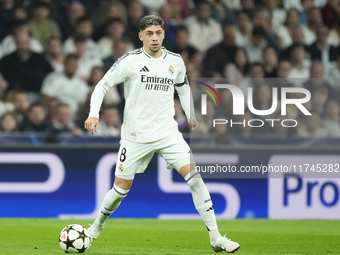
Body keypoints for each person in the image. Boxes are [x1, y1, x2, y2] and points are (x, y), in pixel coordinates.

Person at [84, 15, 240, 253]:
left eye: (158, 33)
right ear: (141, 36)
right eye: (149, 34)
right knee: (119, 191)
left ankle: (216, 238)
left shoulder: (176, 61)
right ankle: (94, 230)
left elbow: (184, 88)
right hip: (135, 135)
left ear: (164, 34)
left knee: (195, 178)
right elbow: (102, 85)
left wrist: (191, 115)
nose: (154, 37)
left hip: (168, 133)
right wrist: (93, 114)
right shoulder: (130, 61)